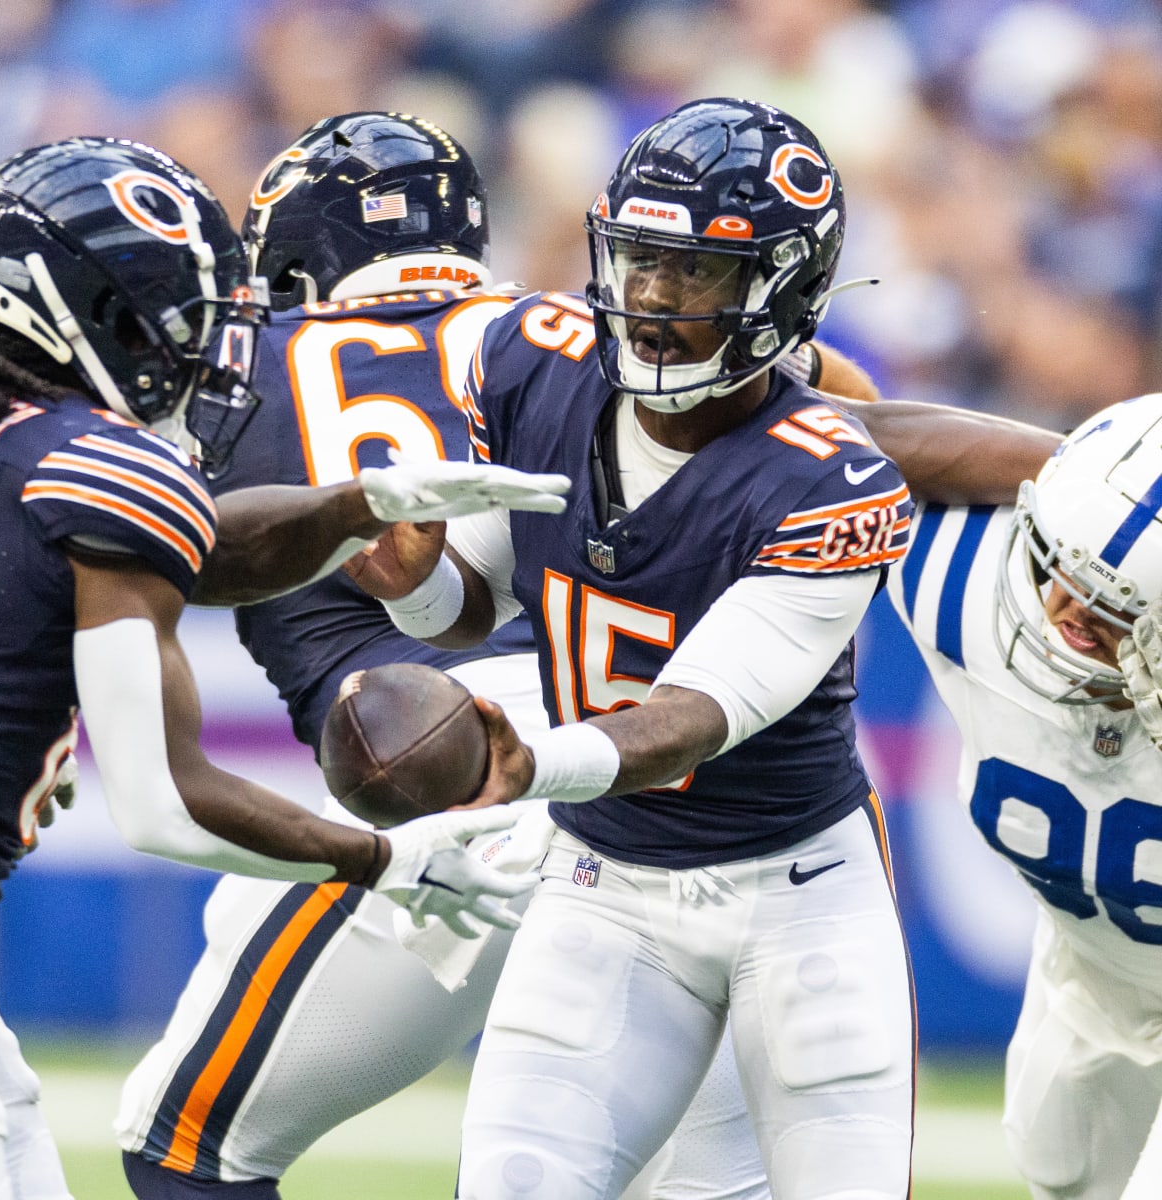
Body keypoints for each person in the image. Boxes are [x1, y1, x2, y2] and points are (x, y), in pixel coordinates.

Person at [116, 110, 881, 1200]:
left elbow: (102, 533)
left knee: (186, 1145)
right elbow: (849, 417)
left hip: (419, 775)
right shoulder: (580, 327)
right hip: (635, 778)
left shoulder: (236, 366)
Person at [0, 134, 569, 1200]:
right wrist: (379, 862)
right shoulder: (89, 464)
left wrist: (354, 505)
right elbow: (163, 801)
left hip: (462, 761)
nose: (202, 339)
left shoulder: (43, 453)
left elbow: (207, 544)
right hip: (612, 755)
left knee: (171, 1140)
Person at [348, 96, 919, 1199]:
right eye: (639, 260)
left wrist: (527, 760)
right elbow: (478, 598)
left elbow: (694, 716)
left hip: (796, 896)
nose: (652, 299)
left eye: (695, 272)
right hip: (604, 881)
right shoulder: (534, 364)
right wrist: (417, 586)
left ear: (782, 288)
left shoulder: (828, 477)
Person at [888, 393, 1162, 1200]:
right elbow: (836, 433)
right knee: (1059, 1173)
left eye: (1116, 611)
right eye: (1058, 567)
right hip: (1092, 978)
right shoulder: (961, 588)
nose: (1069, 613)